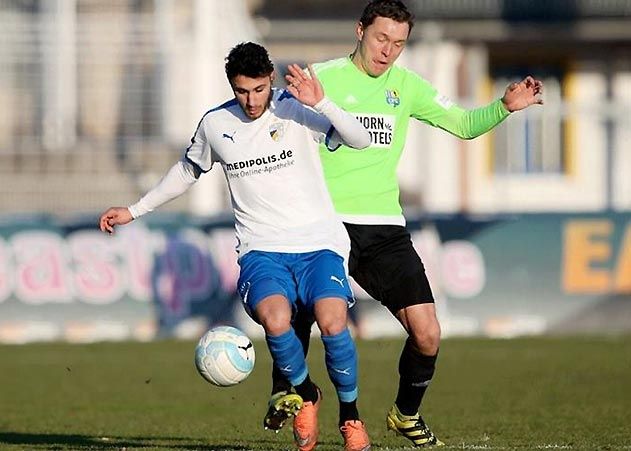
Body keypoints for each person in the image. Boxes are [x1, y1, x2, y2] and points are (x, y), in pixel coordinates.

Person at [263, 0, 544, 447]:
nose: (388, 51)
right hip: (321, 226)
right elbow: (268, 126)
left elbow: (465, 124)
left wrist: (504, 107)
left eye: (399, 43)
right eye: (381, 39)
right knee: (302, 319)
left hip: (382, 229)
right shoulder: (322, 77)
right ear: (360, 31)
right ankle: (300, 395)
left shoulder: (407, 87)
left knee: (428, 333)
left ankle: (405, 413)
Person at [98, 42, 373, 451]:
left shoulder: (296, 108)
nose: (252, 100)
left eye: (259, 90)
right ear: (232, 86)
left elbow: (361, 140)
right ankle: (306, 393)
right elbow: (187, 170)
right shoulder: (215, 124)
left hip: (318, 243)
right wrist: (135, 209)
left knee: (334, 323)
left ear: (271, 81)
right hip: (261, 249)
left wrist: (324, 102)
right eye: (243, 91)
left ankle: (350, 416)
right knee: (276, 320)